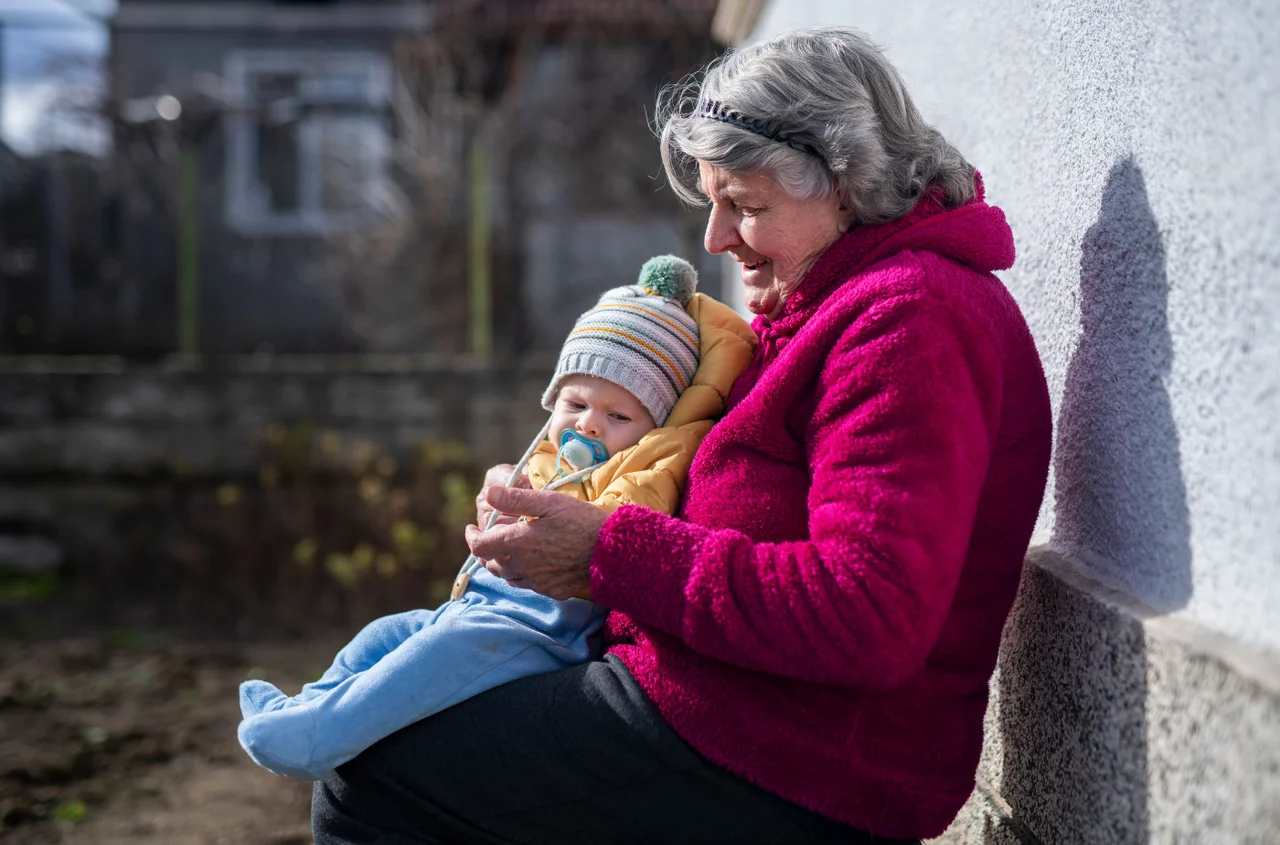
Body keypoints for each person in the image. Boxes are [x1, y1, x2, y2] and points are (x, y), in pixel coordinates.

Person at [311, 27, 1053, 845]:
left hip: (805, 763)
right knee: (390, 705)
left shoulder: (911, 320)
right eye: (714, 203)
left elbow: (866, 612)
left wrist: (606, 553)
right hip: (723, 710)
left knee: (371, 784)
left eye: (748, 206)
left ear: (844, 184)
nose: (716, 238)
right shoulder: (827, 303)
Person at [236, 255, 755, 780]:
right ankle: (309, 705)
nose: (590, 426)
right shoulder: (548, 454)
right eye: (575, 406)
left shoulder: (649, 465)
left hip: (541, 633)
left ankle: (314, 742)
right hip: (483, 605)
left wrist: (557, 518)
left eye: (618, 416)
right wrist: (506, 497)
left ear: (652, 426)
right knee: (385, 635)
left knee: (427, 664)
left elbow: (620, 527)